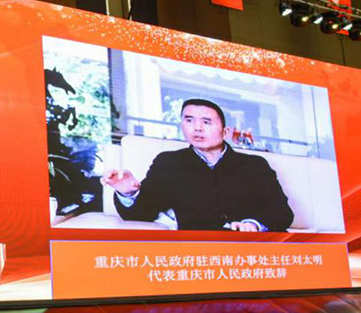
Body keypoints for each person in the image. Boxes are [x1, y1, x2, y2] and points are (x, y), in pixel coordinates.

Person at [101, 99, 294, 232]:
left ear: (225, 132)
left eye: (206, 122)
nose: (197, 128)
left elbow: (282, 213)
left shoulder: (255, 165)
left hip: (248, 250)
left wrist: (253, 224)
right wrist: (128, 193)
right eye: (189, 120)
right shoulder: (168, 163)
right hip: (196, 254)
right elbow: (142, 214)